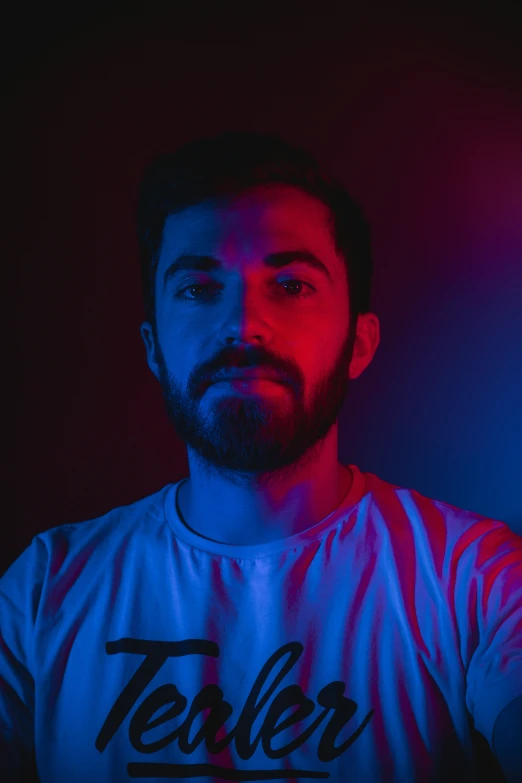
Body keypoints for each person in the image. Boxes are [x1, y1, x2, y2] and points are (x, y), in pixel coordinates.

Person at [2, 131, 521, 783]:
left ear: (358, 344)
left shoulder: (470, 578)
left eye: (292, 285)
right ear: (153, 347)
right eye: (197, 288)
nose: (244, 323)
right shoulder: (43, 592)